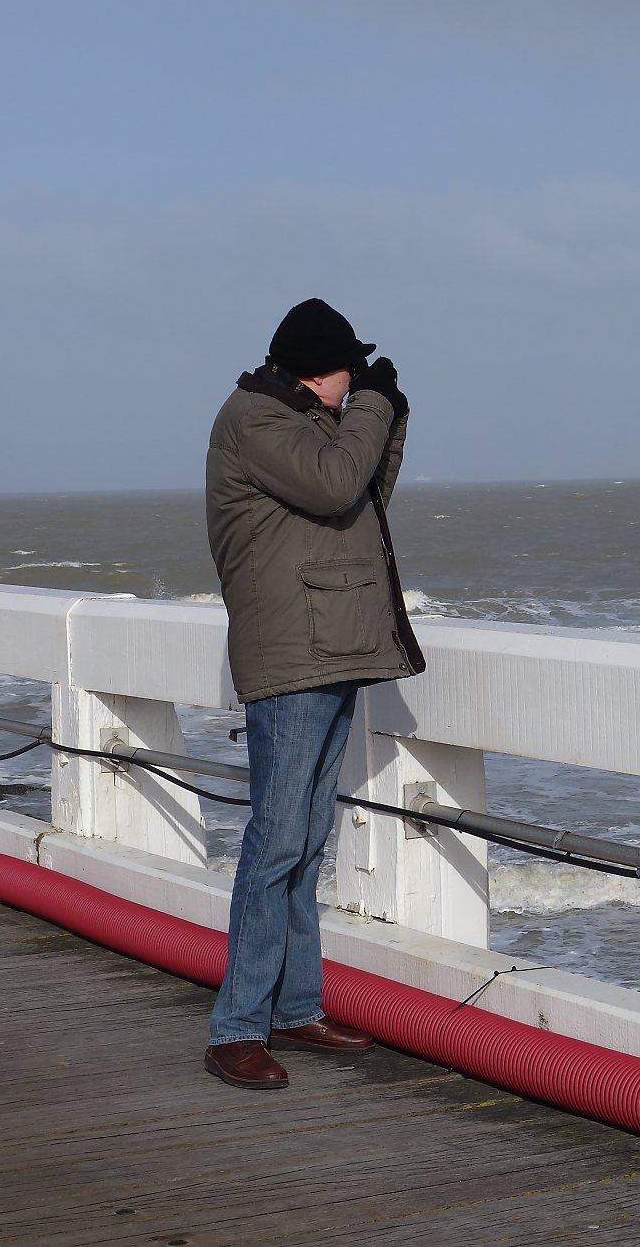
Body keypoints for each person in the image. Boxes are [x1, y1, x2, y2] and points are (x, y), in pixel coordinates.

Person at [202, 297, 424, 1090]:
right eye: (347, 371)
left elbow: (364, 493)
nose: (352, 384)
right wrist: (372, 407)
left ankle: (296, 1006)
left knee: (304, 841)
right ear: (314, 370)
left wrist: (385, 416)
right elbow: (335, 485)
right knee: (275, 842)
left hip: (328, 647)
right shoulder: (256, 419)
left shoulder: (302, 422)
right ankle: (237, 1027)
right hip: (292, 656)